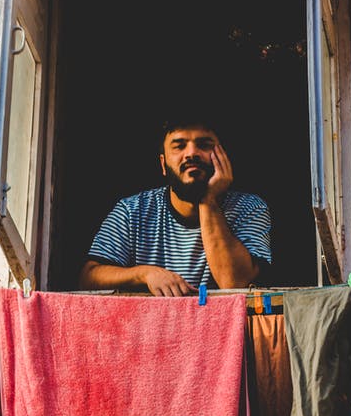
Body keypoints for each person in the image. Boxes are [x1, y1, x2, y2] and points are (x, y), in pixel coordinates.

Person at [79, 119, 272, 296]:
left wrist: (208, 200)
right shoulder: (133, 210)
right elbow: (89, 279)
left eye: (204, 145)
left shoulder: (249, 208)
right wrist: (145, 274)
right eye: (179, 146)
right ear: (163, 164)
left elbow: (234, 283)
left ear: (223, 156)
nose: (191, 153)